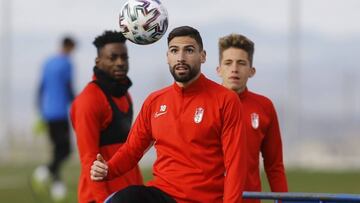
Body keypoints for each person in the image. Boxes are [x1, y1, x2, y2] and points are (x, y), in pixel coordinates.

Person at [90, 26, 248, 203]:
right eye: (174, 51)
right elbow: (132, 150)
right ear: (167, 57)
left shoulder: (226, 100)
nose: (180, 58)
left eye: (188, 50)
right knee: (124, 199)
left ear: (202, 56)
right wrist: (108, 169)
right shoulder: (154, 101)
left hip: (204, 199)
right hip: (161, 195)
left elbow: (235, 164)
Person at [70, 30, 143, 203]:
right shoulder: (88, 100)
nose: (120, 63)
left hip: (127, 194)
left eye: (124, 58)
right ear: (98, 61)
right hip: (101, 197)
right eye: (113, 58)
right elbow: (89, 159)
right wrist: (105, 200)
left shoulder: (125, 95)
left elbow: (129, 150)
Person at [216, 33, 288, 202]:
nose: (234, 69)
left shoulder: (264, 107)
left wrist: (284, 200)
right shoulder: (203, 104)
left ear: (251, 70)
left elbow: (274, 165)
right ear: (218, 70)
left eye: (241, 63)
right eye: (228, 63)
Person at [32, 36, 76, 201]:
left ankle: (57, 187)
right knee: (65, 150)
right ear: (69, 47)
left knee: (57, 149)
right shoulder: (67, 63)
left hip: (47, 113)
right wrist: (77, 105)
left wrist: (40, 110)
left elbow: (40, 87)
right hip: (59, 113)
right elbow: (68, 86)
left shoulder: (48, 62)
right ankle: (44, 171)